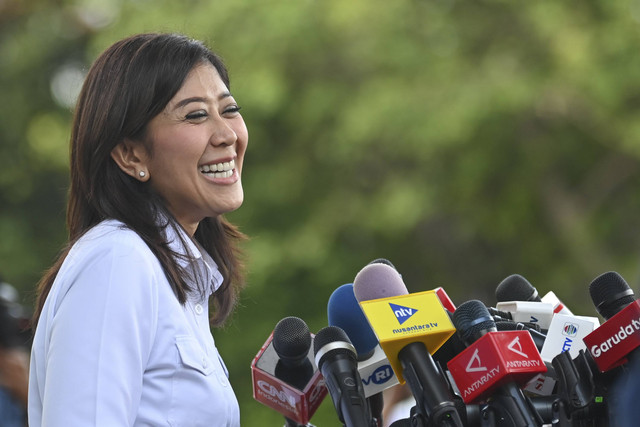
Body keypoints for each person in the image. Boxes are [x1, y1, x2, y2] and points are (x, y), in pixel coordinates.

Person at [28, 32, 248, 426]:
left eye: (229, 109)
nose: (227, 134)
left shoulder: (167, 274)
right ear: (130, 154)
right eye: (196, 115)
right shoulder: (117, 261)